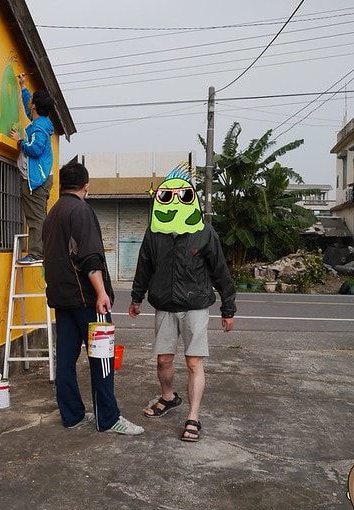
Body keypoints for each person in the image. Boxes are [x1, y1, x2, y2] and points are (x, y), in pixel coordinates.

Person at [128, 163, 236, 443]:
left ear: (192, 200)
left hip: (195, 306)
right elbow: (144, 266)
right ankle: (168, 397)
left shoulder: (205, 233)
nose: (175, 201)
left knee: (192, 362)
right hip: (164, 305)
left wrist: (228, 308)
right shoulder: (154, 232)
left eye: (183, 196)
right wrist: (136, 297)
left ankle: (194, 416)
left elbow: (220, 271)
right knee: (164, 359)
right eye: (167, 196)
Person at [42, 160, 144, 435]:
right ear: (87, 186)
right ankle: (108, 419)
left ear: (62, 185)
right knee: (102, 360)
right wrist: (100, 292)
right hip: (88, 301)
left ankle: (72, 415)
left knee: (65, 359)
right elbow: (89, 257)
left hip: (62, 301)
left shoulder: (52, 215)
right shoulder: (81, 211)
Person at [9, 73, 54, 265]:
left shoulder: (38, 129)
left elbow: (35, 148)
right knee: (38, 216)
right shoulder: (40, 121)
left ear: (35, 106)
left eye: (32, 101)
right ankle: (39, 251)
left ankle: (37, 254)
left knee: (36, 218)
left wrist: (20, 140)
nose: (30, 103)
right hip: (40, 178)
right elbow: (29, 111)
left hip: (36, 180)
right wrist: (23, 87)